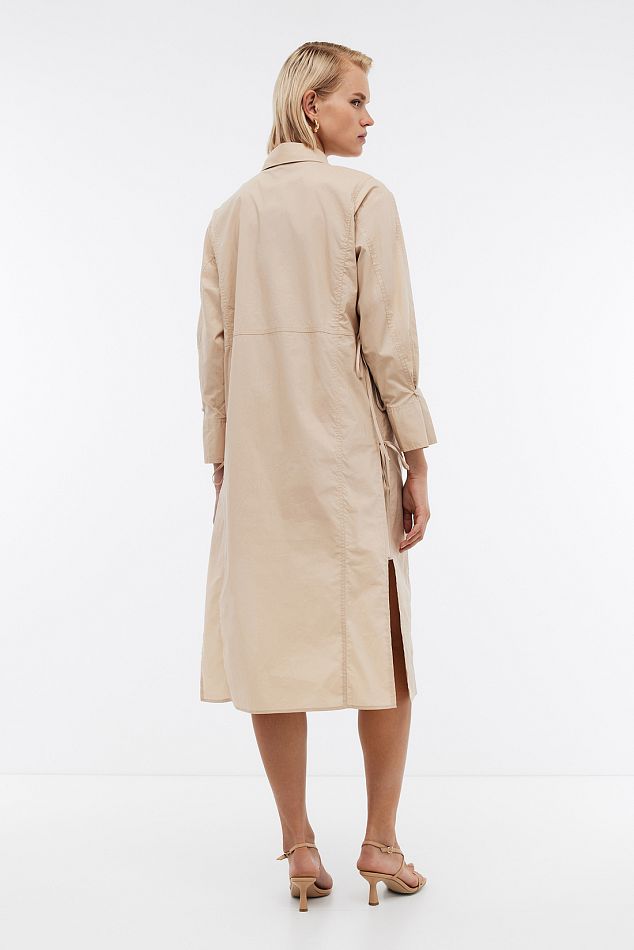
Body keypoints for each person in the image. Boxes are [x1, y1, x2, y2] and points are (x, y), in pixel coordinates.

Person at [196, 41, 437, 910]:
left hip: (260, 468)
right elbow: (388, 342)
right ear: (311, 106)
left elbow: (214, 352)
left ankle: (300, 849)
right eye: (357, 101)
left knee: (270, 648)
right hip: (346, 462)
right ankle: (381, 843)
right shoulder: (363, 199)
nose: (370, 118)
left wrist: (222, 458)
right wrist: (415, 457)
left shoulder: (230, 214)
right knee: (384, 650)